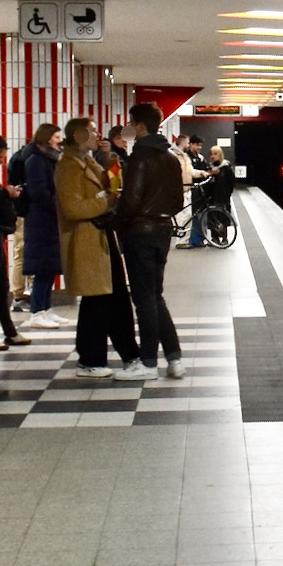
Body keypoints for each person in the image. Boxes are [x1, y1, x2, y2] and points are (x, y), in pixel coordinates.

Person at [56, 118, 148, 380]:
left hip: (102, 237)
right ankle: (90, 359)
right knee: (97, 300)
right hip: (85, 240)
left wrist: (110, 162)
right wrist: (105, 203)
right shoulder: (68, 167)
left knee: (115, 296)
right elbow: (72, 208)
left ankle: (129, 354)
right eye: (92, 130)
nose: (98, 134)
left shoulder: (90, 161)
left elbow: (114, 188)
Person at [115, 103, 186, 379]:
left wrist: (117, 222)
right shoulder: (170, 157)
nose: (129, 128)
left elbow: (131, 200)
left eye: (131, 124)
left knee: (144, 299)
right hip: (162, 230)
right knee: (155, 295)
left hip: (140, 233)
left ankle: (147, 363)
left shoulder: (140, 157)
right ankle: (174, 359)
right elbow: (178, 200)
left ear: (140, 126)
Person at [20, 122, 69, 329]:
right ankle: (37, 312)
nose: (60, 141)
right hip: (41, 221)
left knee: (49, 268)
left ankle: (46, 308)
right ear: (47, 139)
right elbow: (38, 193)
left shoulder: (49, 159)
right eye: (57, 137)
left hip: (49, 221)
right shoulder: (36, 161)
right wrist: (59, 206)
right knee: (42, 268)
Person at [0, 134, 28, 351]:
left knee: (1, 284)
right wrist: (8, 194)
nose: (1, 161)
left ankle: (9, 331)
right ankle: (2, 332)